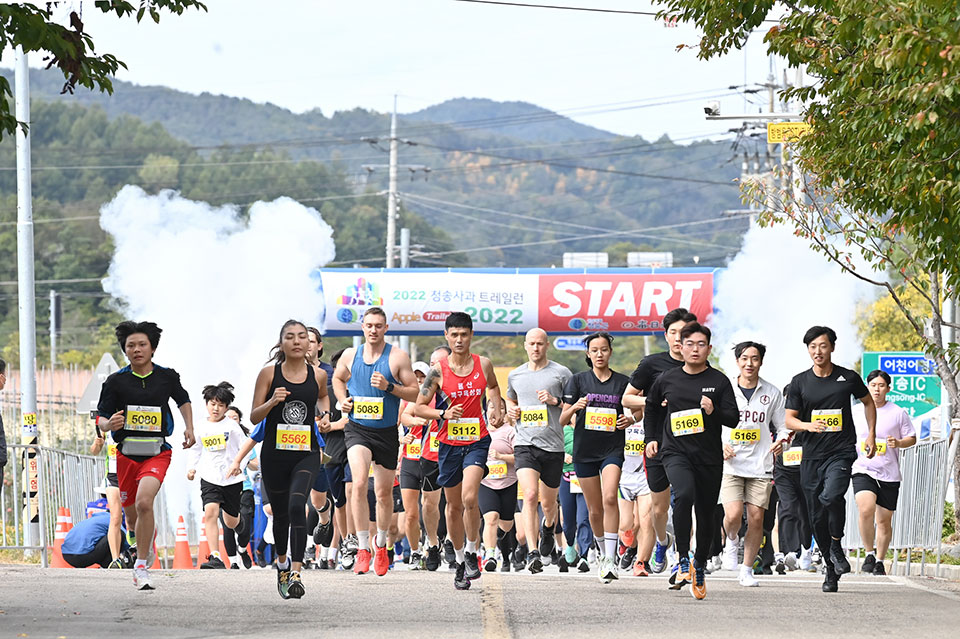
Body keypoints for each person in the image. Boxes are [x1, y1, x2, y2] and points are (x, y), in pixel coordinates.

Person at [228, 319, 329, 600]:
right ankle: (282, 563)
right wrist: (272, 401)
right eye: (290, 337)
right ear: (281, 342)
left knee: (298, 505)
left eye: (301, 337)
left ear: (309, 344)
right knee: (281, 513)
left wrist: (325, 415)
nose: (297, 341)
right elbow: (254, 416)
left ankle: (296, 572)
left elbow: (322, 398)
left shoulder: (318, 375)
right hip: (274, 454)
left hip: (306, 452)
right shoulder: (268, 374)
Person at [96, 321, 195, 590]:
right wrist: (108, 425)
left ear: (152, 348)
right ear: (125, 351)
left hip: (156, 452)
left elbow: (183, 400)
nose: (137, 349)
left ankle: (141, 566)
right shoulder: (116, 381)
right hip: (126, 454)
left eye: (142, 345)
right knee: (130, 517)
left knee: (144, 503)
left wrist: (189, 427)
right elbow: (101, 417)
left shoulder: (167, 377)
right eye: (131, 346)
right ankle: (137, 536)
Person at [644, 322, 738, 600]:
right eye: (690, 344)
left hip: (708, 457)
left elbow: (733, 419)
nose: (695, 349)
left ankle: (699, 564)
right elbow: (651, 407)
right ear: (680, 347)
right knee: (682, 495)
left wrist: (714, 410)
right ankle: (683, 557)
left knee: (706, 512)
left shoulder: (719, 381)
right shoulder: (667, 379)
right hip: (675, 452)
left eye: (701, 344)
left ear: (709, 348)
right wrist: (652, 437)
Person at [415, 311, 504, 590]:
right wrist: (442, 414)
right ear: (446, 336)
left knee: (468, 498)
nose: (459, 340)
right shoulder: (437, 370)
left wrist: (496, 407)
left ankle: (473, 551)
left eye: (464, 334)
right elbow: (419, 407)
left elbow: (493, 387)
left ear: (471, 335)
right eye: (454, 335)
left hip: (477, 440)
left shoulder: (484, 364)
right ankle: (458, 559)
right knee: (452, 506)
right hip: (448, 443)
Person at [785, 325, 877, 593]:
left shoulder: (847, 377)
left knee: (831, 496)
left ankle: (836, 544)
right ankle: (830, 566)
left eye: (822, 346)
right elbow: (790, 418)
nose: (817, 351)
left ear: (832, 347)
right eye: (812, 347)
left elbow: (868, 402)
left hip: (841, 451)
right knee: (815, 515)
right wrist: (807, 426)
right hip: (811, 455)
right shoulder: (800, 381)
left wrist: (870, 435)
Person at [332, 307, 419, 576]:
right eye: (369, 325)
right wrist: (341, 399)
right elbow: (337, 377)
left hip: (386, 433)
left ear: (385, 328)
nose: (373, 330)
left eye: (378, 326)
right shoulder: (350, 354)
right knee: (358, 483)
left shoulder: (397, 357)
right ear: (362, 327)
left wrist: (390, 387)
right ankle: (361, 548)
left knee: (382, 494)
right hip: (357, 429)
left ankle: (380, 543)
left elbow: (415, 393)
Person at [622, 308, 698, 573]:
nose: (679, 338)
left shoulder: (700, 366)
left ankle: (682, 558)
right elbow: (627, 398)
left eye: (685, 333)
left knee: (685, 500)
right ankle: (663, 542)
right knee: (659, 508)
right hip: (656, 444)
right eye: (674, 333)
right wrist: (652, 401)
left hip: (690, 446)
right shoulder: (651, 364)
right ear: (666, 336)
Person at [559, 331, 632, 584]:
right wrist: (574, 408)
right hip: (584, 452)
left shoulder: (623, 382)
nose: (599, 354)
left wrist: (629, 419)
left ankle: (611, 558)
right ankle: (602, 552)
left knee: (610, 496)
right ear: (588, 354)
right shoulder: (578, 381)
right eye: (594, 350)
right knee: (594, 508)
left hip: (612, 448)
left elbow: (636, 412)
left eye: (604, 349)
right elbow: (562, 420)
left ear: (610, 352)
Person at [719, 341, 788, 587]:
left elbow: (782, 427)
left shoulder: (772, 392)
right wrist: (720, 444)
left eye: (755, 358)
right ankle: (730, 539)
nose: (750, 363)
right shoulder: (725, 390)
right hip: (731, 465)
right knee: (734, 514)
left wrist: (781, 441)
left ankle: (747, 569)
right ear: (737, 361)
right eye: (745, 358)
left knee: (756, 518)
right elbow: (712, 423)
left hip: (760, 465)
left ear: (761, 361)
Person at [505, 328, 572, 573]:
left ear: (547, 346)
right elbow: (511, 400)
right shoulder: (515, 375)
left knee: (549, 503)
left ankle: (549, 527)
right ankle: (533, 552)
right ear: (525, 345)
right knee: (530, 495)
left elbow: (573, 405)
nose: (536, 348)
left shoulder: (561, 373)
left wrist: (555, 401)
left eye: (540, 344)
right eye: (532, 343)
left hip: (553, 445)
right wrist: (511, 411)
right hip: (525, 444)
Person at [853, 370, 916, 575]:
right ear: (867, 387)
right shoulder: (855, 411)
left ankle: (880, 560)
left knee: (883, 520)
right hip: (863, 468)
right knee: (865, 508)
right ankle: (869, 553)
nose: (877, 390)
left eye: (881, 386)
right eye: (873, 385)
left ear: (888, 389)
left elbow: (912, 438)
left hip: (889, 472)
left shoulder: (898, 412)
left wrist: (898, 443)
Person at [187, 382, 248, 569]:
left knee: (230, 522)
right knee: (211, 512)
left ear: (226, 407)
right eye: (213, 404)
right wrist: (191, 468)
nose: (216, 408)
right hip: (209, 477)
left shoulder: (232, 427)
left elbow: (245, 448)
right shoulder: (200, 426)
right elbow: (195, 449)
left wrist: (240, 466)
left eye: (221, 405)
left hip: (231, 478)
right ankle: (215, 556)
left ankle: (240, 523)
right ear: (207, 404)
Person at [319, 349, 357, 571]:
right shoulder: (327, 393)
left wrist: (333, 425)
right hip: (332, 453)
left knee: (353, 491)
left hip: (355, 448)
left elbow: (349, 421)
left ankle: (356, 541)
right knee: (339, 502)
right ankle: (346, 542)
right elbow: (318, 420)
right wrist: (323, 425)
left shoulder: (362, 392)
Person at [399, 360, 433, 570]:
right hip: (410, 460)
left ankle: (431, 545)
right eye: (416, 377)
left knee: (430, 508)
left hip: (432, 459)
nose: (419, 381)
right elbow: (400, 420)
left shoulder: (436, 397)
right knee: (411, 513)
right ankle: (414, 551)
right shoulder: (406, 398)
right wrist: (403, 438)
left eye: (423, 377)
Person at [480, 407, 517, 571]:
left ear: (505, 413)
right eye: (492, 407)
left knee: (507, 525)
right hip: (485, 482)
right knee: (491, 517)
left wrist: (501, 457)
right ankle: (490, 555)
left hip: (508, 482)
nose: (495, 411)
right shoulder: (480, 428)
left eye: (500, 408)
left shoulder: (510, 431)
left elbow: (521, 457)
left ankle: (494, 538)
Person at [617, 419, 654, 577]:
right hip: (624, 476)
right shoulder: (621, 411)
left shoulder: (651, 411)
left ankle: (641, 563)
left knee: (646, 520)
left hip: (645, 476)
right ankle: (630, 546)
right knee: (628, 524)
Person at [223, 405, 257, 569]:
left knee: (245, 524)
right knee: (227, 525)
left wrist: (242, 458)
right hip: (223, 486)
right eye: (227, 417)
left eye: (234, 418)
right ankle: (233, 562)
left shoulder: (245, 440)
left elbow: (256, 465)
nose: (231, 421)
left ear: (239, 420)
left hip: (244, 487)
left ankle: (242, 549)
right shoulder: (217, 436)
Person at [89, 424, 125, 568]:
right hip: (113, 475)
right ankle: (115, 560)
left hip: (131, 472)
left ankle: (137, 553)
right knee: (115, 517)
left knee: (133, 518)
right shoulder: (106, 423)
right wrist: (97, 443)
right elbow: (94, 451)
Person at [558, 423, 592, 572]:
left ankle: (584, 555)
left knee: (583, 518)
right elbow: (553, 450)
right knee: (568, 520)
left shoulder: (588, 428)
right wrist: (563, 455)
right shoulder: (563, 430)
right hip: (566, 478)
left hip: (584, 478)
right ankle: (570, 545)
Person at [61, 510, 131, 569]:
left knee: (104, 539)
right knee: (118, 534)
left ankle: (106, 564)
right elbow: (126, 543)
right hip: (83, 556)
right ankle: (111, 563)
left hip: (67, 555)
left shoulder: (92, 520)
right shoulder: (111, 518)